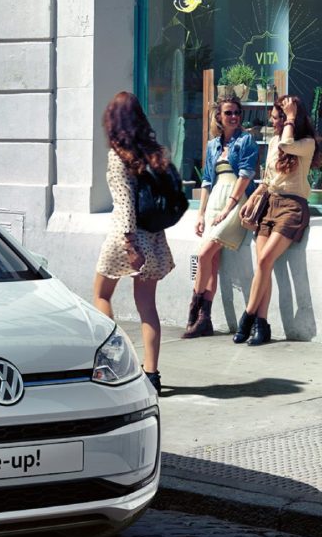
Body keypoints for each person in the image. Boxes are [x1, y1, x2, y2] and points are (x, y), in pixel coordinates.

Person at [93, 92, 175, 393]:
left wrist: (130, 246)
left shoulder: (119, 155)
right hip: (153, 238)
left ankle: (115, 362)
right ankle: (151, 374)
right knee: (147, 308)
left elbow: (125, 204)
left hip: (126, 237)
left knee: (101, 294)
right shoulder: (154, 151)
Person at [234, 95, 320, 346]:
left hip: (293, 207)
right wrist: (254, 197)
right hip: (270, 204)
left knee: (264, 259)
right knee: (264, 266)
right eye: (272, 119)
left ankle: (247, 316)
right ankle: (262, 325)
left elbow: (287, 145)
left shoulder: (306, 143)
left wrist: (291, 116)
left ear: (290, 119)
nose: (273, 123)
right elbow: (269, 179)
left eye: (277, 118)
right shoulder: (273, 142)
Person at [182, 95, 258, 337]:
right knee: (211, 263)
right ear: (219, 116)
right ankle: (204, 320)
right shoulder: (213, 144)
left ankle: (194, 308)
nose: (234, 116)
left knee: (204, 254)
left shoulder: (246, 140)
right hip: (215, 199)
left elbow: (245, 175)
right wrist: (201, 214)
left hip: (236, 201)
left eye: (237, 112)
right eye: (228, 113)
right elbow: (206, 181)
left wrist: (228, 208)